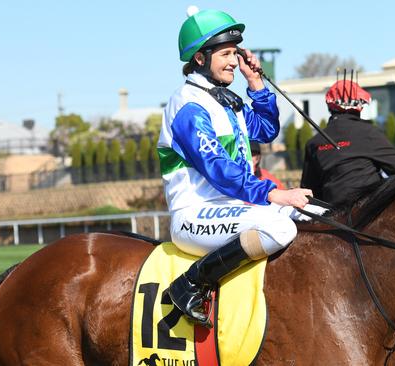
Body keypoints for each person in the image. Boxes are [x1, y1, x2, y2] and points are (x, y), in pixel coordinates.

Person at [158, 7, 313, 326]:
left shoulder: (227, 101)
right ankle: (190, 284)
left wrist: (255, 83)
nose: (233, 60)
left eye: (235, 52)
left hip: (230, 209)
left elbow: (267, 131)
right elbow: (217, 168)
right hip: (194, 215)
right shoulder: (188, 105)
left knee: (319, 214)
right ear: (200, 58)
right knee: (280, 227)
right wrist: (273, 194)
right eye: (226, 53)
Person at [300, 79, 395, 209]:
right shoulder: (369, 133)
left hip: (333, 220)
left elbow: (309, 192)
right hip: (369, 215)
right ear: (360, 106)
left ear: (330, 106)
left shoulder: (314, 143)